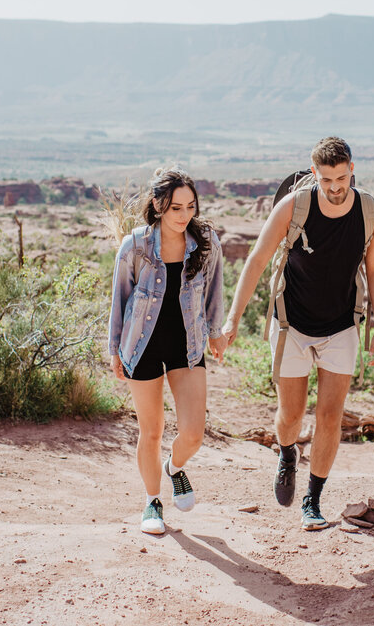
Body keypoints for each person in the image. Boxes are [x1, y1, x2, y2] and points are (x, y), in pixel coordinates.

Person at [222, 137, 374, 531]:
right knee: (291, 416)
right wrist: (232, 319)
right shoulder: (293, 207)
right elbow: (257, 260)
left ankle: (312, 500)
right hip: (292, 324)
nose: (335, 187)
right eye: (327, 179)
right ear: (315, 174)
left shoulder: (368, 210)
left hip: (342, 325)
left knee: (330, 417)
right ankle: (286, 452)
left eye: (342, 178)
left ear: (352, 172)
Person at [108, 167, 227, 535]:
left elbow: (214, 288)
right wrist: (114, 350)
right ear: (159, 206)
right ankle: (152, 503)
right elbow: (120, 299)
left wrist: (215, 331)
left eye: (190, 206)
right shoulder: (136, 245)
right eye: (176, 208)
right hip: (141, 344)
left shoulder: (205, 241)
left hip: (187, 344)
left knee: (193, 432)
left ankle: (174, 468)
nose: (184, 215)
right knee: (152, 430)